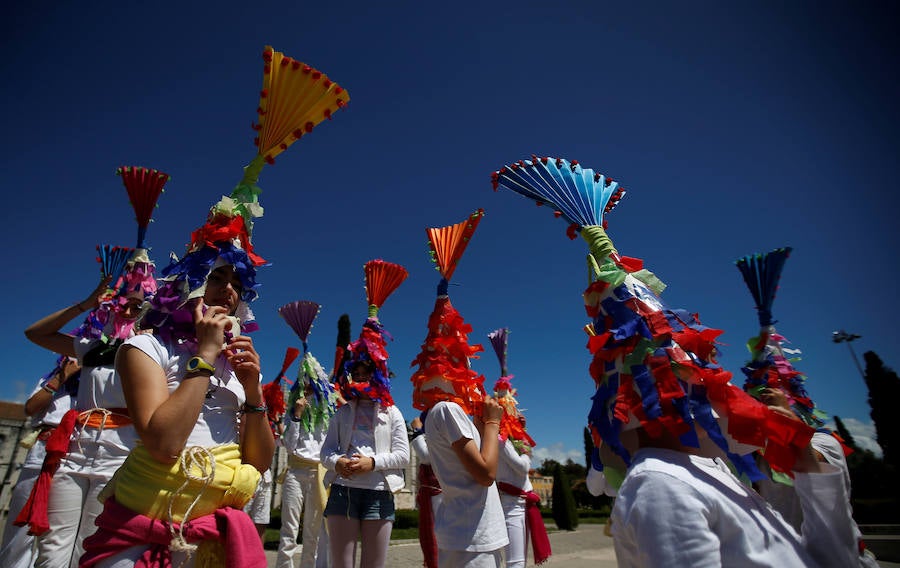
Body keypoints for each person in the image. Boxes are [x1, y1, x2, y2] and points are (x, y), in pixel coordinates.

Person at [21, 268, 150, 568]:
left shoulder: (153, 350)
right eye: (123, 302)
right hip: (74, 450)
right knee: (52, 546)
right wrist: (86, 304)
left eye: (138, 304)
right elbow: (35, 334)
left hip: (120, 454)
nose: (129, 309)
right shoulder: (91, 346)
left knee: (90, 546)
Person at [320, 356, 410, 568]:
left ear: (378, 376)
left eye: (366, 374)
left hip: (378, 494)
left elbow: (403, 455)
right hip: (343, 492)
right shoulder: (343, 412)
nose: (361, 379)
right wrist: (337, 462)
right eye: (357, 374)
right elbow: (326, 452)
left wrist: (372, 462)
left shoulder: (392, 413)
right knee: (341, 564)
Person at [0, 358, 77, 568]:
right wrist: (62, 376)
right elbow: (31, 408)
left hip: (78, 453)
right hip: (43, 451)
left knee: (58, 534)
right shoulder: (55, 375)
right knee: (19, 533)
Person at [278, 390, 332, 568]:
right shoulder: (292, 412)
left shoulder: (328, 415)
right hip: (295, 471)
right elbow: (290, 445)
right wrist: (297, 415)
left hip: (318, 474)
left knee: (313, 531)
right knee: (289, 529)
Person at [409, 413, 440, 568]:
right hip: (433, 493)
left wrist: (417, 431)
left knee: (438, 542)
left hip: (441, 493)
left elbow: (427, 457)